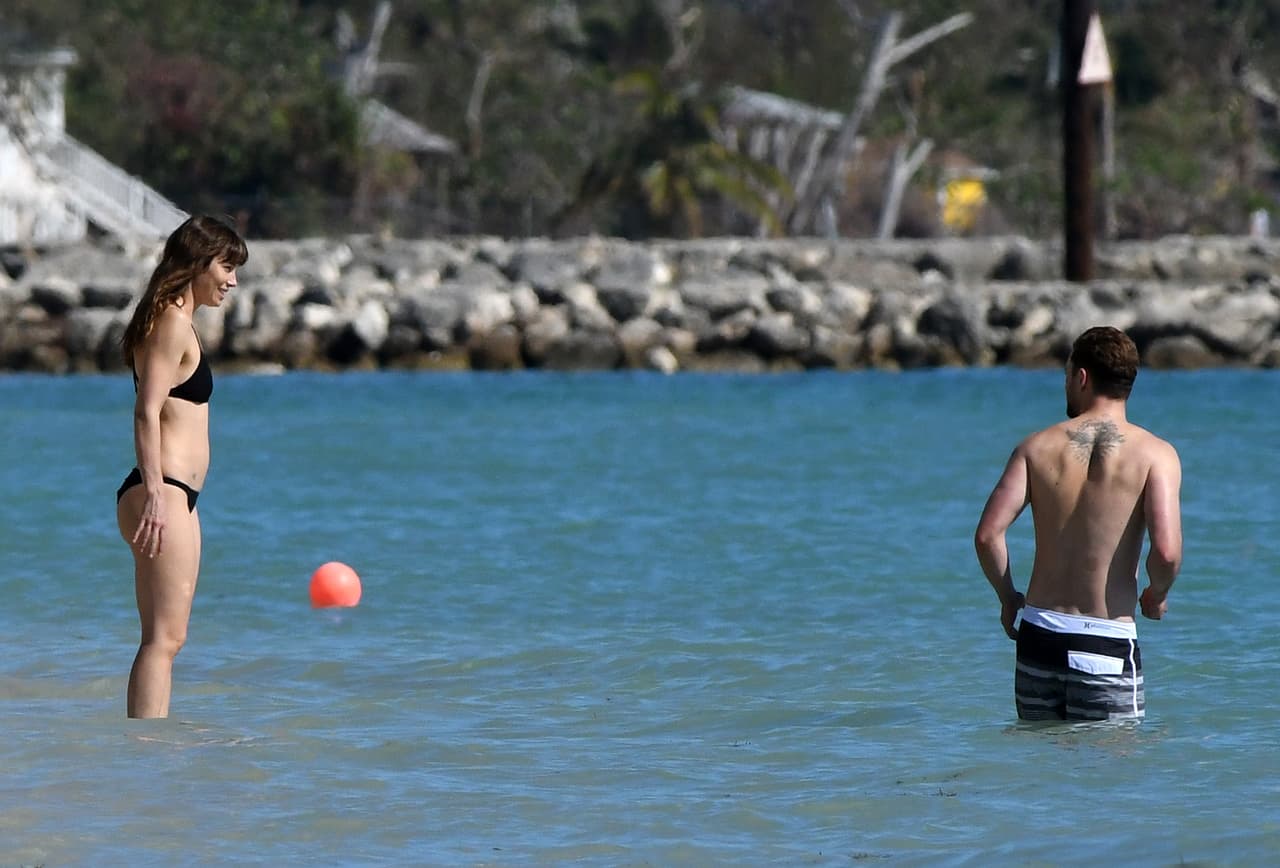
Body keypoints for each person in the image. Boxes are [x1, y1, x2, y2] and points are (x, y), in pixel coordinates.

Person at [974, 326, 1182, 722]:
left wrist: (1007, 596)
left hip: (1039, 638)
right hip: (1105, 643)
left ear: (1082, 377)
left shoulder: (1035, 448)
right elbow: (1167, 553)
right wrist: (1157, 592)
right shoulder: (1157, 455)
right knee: (1109, 777)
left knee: (1042, 772)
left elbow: (988, 536)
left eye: (1067, 374)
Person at [116, 215, 247, 719]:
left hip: (169, 494)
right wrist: (154, 493)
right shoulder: (171, 320)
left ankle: (143, 753)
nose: (232, 281)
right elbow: (146, 410)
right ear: (197, 263)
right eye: (226, 266)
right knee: (164, 640)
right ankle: (148, 754)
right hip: (162, 491)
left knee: (163, 638)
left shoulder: (171, 317)